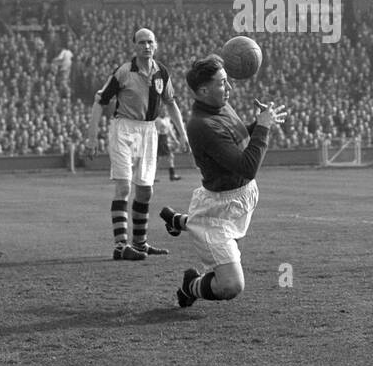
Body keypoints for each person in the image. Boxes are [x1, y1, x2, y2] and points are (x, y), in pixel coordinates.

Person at [158, 55, 287, 308]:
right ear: (204, 90)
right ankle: (191, 285)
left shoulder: (220, 106)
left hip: (242, 197)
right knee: (231, 285)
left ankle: (178, 221)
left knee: (220, 235)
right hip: (218, 208)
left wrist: (256, 124)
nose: (229, 88)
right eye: (222, 83)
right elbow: (247, 167)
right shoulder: (202, 125)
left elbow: (233, 136)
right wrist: (262, 129)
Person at [86, 27, 187, 260]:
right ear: (134, 46)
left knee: (145, 190)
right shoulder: (123, 72)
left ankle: (140, 245)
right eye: (141, 42)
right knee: (123, 186)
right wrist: (91, 138)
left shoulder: (162, 72)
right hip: (124, 129)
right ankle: (121, 247)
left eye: (150, 41)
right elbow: (99, 101)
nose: (146, 46)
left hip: (149, 130)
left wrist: (182, 134)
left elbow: (171, 104)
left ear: (156, 44)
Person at [154, 114, 182, 182]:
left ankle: (171, 175)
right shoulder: (157, 120)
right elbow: (156, 131)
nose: (164, 111)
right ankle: (172, 175)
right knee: (163, 157)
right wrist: (155, 141)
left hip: (165, 138)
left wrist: (175, 140)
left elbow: (170, 131)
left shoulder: (167, 119)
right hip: (161, 139)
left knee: (164, 157)